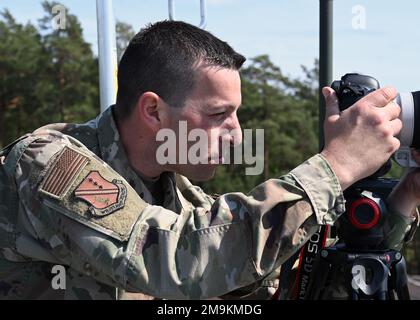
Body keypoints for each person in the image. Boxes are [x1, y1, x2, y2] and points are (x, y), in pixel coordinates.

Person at [0, 20, 417, 300]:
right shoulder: (47, 164)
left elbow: (262, 281)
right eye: (219, 115)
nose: (236, 133)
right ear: (154, 111)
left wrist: (400, 198)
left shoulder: (171, 192)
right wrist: (337, 163)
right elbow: (176, 259)